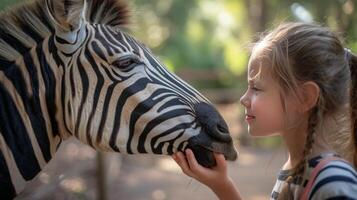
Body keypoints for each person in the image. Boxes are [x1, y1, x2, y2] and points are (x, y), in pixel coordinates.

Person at [172, 22, 357, 200]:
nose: (243, 99)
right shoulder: (295, 171)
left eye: (257, 88)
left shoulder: (334, 183)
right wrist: (221, 185)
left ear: (305, 97)